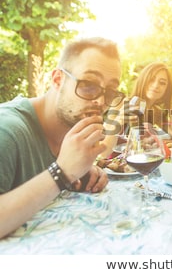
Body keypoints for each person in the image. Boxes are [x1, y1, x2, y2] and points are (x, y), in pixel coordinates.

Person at [0, 37, 123, 239]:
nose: (101, 101)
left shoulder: (69, 130)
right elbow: (58, 173)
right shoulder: (7, 130)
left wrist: (79, 171)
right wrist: (61, 173)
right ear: (58, 79)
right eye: (88, 84)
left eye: (109, 92)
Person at [129, 62, 172, 136]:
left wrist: (170, 106)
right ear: (143, 79)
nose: (156, 85)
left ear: (167, 90)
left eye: (162, 83)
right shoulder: (125, 104)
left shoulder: (157, 112)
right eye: (151, 79)